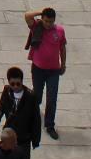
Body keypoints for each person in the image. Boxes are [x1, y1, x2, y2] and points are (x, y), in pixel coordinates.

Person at [23, 8, 65, 140]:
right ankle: (33, 119)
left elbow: (62, 48)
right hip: (38, 69)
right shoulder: (36, 27)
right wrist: (41, 12)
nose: (48, 24)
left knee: (52, 98)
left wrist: (63, 64)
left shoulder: (59, 31)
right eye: (46, 21)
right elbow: (27, 16)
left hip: (53, 70)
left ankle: (49, 125)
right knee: (37, 96)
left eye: (51, 22)